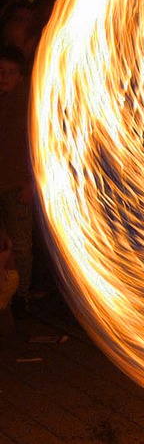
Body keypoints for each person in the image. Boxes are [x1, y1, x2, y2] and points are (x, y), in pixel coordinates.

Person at [0, 45, 33, 317]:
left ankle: (21, 298)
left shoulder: (27, 106)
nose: (4, 77)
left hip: (16, 187)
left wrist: (31, 184)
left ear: (20, 77)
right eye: (1, 72)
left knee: (21, 245)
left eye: (11, 72)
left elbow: (38, 146)